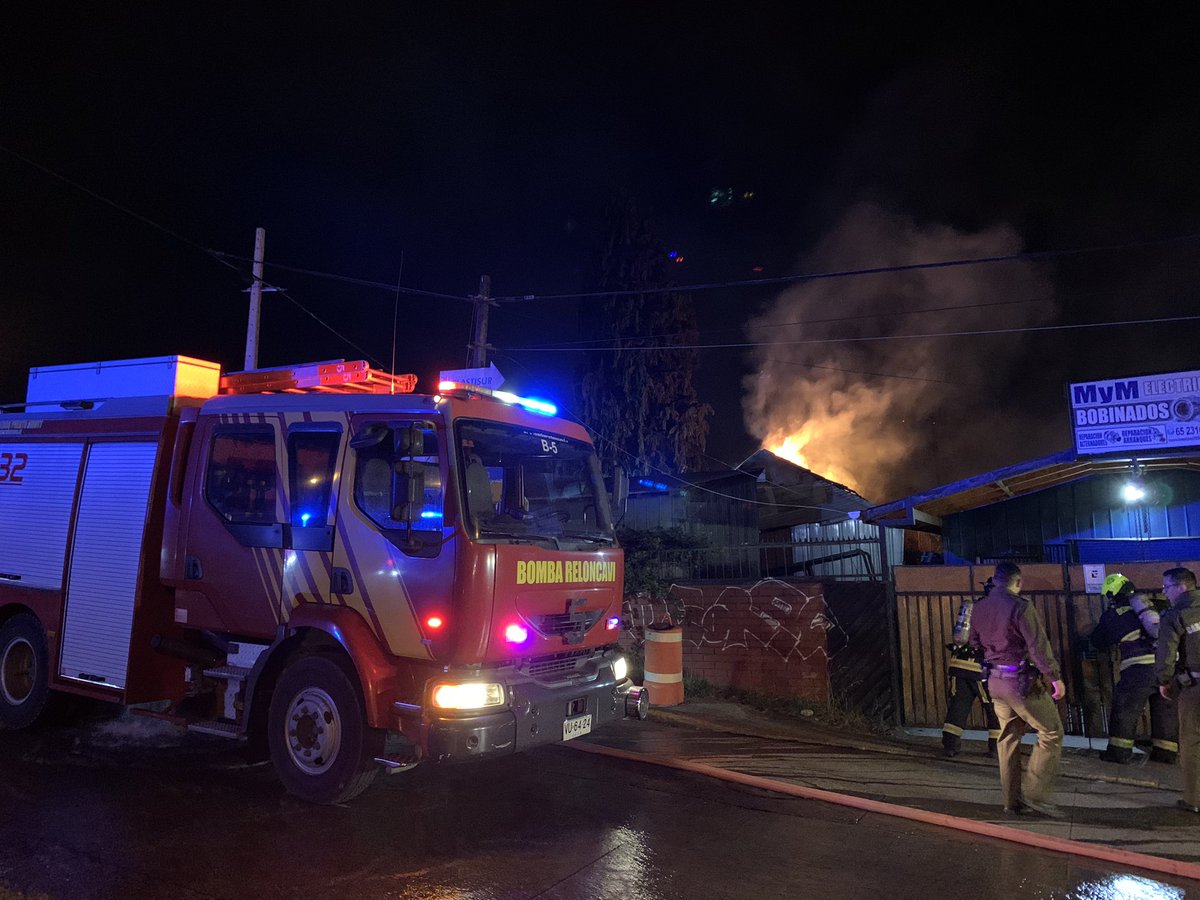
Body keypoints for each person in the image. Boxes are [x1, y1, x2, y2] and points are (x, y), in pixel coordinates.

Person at [969, 561, 1067, 817]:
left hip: (995, 681)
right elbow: (1037, 645)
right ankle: (1036, 794)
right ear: (1018, 582)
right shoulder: (1020, 607)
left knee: (1008, 738)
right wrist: (1053, 677)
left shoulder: (979, 608)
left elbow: (974, 642)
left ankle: (1011, 802)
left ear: (995, 580)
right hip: (1019, 682)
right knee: (1051, 732)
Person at [1091, 573, 1178, 764]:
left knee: (1126, 708)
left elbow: (1098, 641)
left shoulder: (1114, 614)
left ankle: (1118, 752)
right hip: (1168, 666)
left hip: (1139, 670)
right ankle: (1166, 754)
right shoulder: (1157, 605)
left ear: (1112, 595)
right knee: (1165, 710)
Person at [1154, 567, 1200, 815]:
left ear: (1181, 587)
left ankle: (1194, 799)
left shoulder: (1175, 614)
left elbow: (1166, 652)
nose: (1165, 593)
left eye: (1167, 588)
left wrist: (1164, 679)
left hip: (1195, 687)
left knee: (1192, 741)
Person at [942, 578, 1001, 758]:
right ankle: (996, 748)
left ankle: (950, 746)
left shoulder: (973, 607)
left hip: (958, 664)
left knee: (958, 706)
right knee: (994, 707)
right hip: (981, 668)